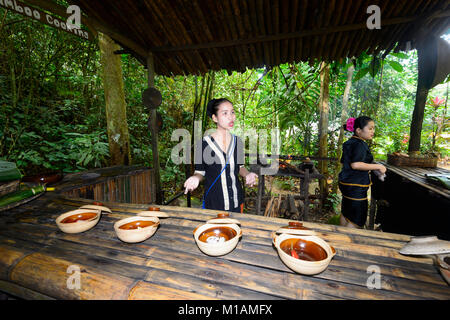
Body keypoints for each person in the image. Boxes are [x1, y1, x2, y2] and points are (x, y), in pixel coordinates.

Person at [184, 98, 258, 213]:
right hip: (214, 204)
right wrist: (195, 178)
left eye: (232, 112)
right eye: (225, 113)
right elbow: (200, 172)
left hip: (236, 202)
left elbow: (240, 167)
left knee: (235, 230)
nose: (231, 117)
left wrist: (247, 174)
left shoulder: (237, 142)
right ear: (215, 118)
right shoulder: (203, 144)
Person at [338, 116, 386, 228]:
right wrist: (377, 166)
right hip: (356, 185)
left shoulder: (349, 142)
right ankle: (348, 243)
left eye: (373, 128)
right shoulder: (360, 144)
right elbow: (355, 164)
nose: (373, 131)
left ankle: (340, 239)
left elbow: (345, 163)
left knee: (347, 213)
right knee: (357, 218)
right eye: (370, 128)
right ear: (359, 130)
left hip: (346, 184)